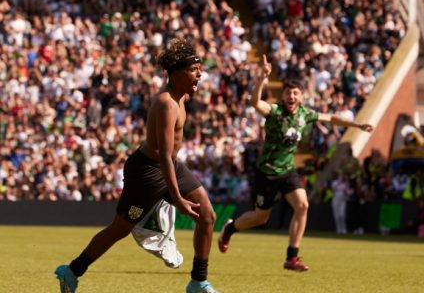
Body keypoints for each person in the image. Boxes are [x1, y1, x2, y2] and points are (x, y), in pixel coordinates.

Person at [55, 38, 219, 293]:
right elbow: (163, 155)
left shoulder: (182, 97)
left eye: (200, 69)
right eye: (194, 70)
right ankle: (72, 271)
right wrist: (177, 198)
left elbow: (169, 158)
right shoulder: (166, 103)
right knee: (121, 228)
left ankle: (198, 282)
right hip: (146, 172)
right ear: (176, 74)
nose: (200, 74)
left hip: (170, 165)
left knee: (207, 216)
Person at [218, 55, 373, 271]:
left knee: (302, 205)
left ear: (301, 97)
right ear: (283, 96)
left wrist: (357, 125)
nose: (291, 96)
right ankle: (230, 229)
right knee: (261, 217)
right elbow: (255, 103)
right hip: (267, 172)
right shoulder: (275, 112)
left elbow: (331, 118)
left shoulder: (304, 114)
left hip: (287, 170)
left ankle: (292, 257)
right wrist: (262, 78)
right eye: (288, 93)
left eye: (295, 93)